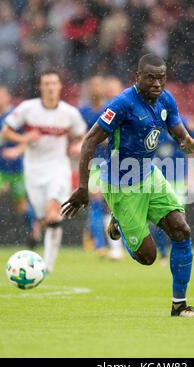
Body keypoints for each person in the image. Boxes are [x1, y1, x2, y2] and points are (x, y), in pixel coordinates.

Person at [62, 54, 194, 318]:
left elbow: (179, 137)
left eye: (161, 77)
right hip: (120, 185)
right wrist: (83, 187)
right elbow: (89, 142)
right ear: (138, 76)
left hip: (149, 176)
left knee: (181, 230)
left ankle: (180, 306)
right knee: (148, 257)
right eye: (151, 77)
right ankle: (118, 219)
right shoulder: (122, 104)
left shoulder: (166, 99)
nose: (157, 83)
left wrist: (190, 144)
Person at [1, 70, 87, 273]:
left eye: (54, 83)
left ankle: (46, 266)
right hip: (33, 169)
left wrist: (78, 145)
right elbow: (6, 131)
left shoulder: (69, 113)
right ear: (40, 87)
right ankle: (42, 247)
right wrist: (25, 139)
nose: (50, 87)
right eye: (46, 83)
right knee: (43, 219)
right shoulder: (28, 109)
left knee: (53, 213)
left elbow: (84, 136)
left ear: (59, 87)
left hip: (58, 167)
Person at [79, 75, 124, 260]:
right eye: (94, 85)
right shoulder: (82, 112)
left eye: (100, 85)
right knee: (97, 200)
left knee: (112, 206)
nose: (97, 89)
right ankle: (101, 246)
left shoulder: (111, 109)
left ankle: (100, 236)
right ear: (89, 89)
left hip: (115, 163)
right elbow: (79, 134)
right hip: (94, 164)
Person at [151, 115, 194, 265]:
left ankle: (180, 254)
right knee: (157, 219)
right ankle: (163, 253)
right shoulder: (149, 122)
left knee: (178, 219)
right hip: (156, 178)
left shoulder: (182, 122)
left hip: (178, 178)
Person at [0, 85, 37, 254]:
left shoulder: (16, 116)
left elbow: (30, 139)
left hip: (16, 169)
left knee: (21, 207)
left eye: (0, 95)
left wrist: (16, 150)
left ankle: (33, 229)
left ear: (7, 97)